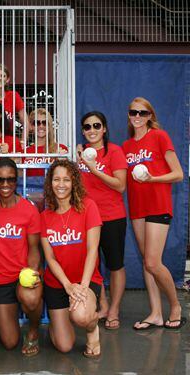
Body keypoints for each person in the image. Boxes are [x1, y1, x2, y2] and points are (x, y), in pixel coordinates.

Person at [122, 97, 185, 330]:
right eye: (133, 112)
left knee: (152, 261)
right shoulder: (127, 146)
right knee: (147, 264)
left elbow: (178, 173)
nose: (137, 116)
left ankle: (175, 306)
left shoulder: (160, 136)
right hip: (138, 208)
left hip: (158, 205)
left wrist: (153, 179)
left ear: (150, 116)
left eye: (142, 112)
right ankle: (156, 313)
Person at [41, 159, 102, 358]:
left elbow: (93, 249)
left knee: (83, 317)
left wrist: (82, 288)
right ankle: (58, 322)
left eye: (66, 180)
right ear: (50, 183)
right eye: (56, 179)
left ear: (74, 182)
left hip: (85, 280)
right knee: (65, 346)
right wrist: (68, 286)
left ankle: (92, 330)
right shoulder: (45, 216)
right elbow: (50, 258)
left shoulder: (88, 206)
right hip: (58, 284)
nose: (61, 184)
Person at [77, 111, 127, 330]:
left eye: (97, 126)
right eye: (87, 127)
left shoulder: (115, 151)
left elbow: (120, 185)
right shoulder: (81, 153)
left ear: (104, 129)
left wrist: (94, 169)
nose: (92, 130)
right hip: (87, 219)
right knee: (93, 263)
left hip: (112, 217)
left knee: (115, 265)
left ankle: (114, 310)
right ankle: (103, 305)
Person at [0, 158, 43, 357]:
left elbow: (34, 248)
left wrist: (31, 272)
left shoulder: (28, 209)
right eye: (0, 180)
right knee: (10, 343)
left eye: (10, 179)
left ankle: (34, 329)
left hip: (21, 275)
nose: (5, 185)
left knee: (30, 298)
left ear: (16, 180)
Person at [24, 108, 68, 176]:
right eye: (37, 123)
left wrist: (62, 162)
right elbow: (21, 178)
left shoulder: (60, 148)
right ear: (31, 126)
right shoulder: (25, 152)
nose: (41, 126)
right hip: (31, 186)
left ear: (49, 126)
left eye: (45, 123)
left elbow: (68, 175)